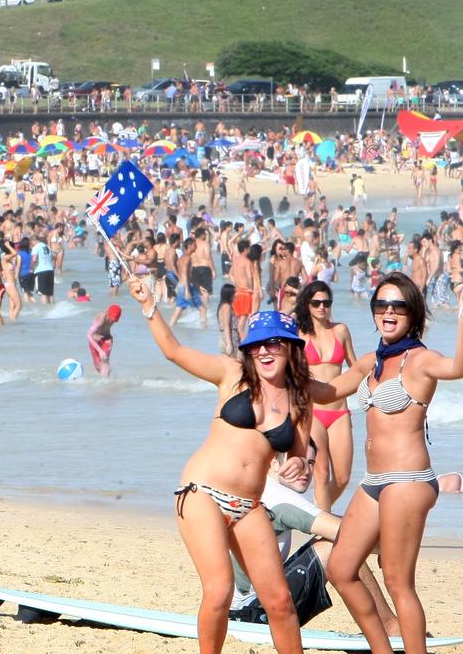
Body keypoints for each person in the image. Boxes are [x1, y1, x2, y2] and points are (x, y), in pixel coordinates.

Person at [130, 274, 317, 654]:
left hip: (249, 507)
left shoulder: (299, 402)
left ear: (290, 349)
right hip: (202, 493)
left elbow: (297, 455)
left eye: (274, 343)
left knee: (280, 601)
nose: (265, 351)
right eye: (258, 345)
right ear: (249, 351)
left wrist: (300, 466)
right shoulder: (231, 375)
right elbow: (174, 351)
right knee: (219, 591)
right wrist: (148, 305)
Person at [313, 273, 463, 654]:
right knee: (341, 569)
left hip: (408, 480)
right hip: (373, 480)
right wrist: (279, 370)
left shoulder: (420, 360)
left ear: (412, 313)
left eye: (398, 305)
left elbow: (461, 368)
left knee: (397, 581)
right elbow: (326, 392)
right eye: (381, 305)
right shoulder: (371, 363)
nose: (388, 311)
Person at [229, 442, 401, 637]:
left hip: (241, 610)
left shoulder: (260, 487)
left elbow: (341, 524)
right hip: (253, 615)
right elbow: (351, 535)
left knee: (337, 536)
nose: (306, 471)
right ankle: (390, 628)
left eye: (310, 463)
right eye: (298, 462)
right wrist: (387, 547)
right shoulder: (282, 500)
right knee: (337, 545)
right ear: (274, 464)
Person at [293, 281, 358, 511]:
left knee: (342, 477)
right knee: (321, 474)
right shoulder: (299, 334)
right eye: (316, 303)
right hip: (313, 412)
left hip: (340, 411)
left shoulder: (340, 330)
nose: (322, 307)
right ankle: (325, 525)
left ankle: (318, 515)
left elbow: (355, 368)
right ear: (307, 305)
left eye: (326, 302)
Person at [86, 304, 121, 378]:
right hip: (95, 341)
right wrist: (100, 351)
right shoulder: (101, 319)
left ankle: (106, 385)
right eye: (111, 318)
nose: (112, 321)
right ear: (108, 314)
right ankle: (104, 381)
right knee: (98, 366)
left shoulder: (114, 318)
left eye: (114, 320)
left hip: (106, 339)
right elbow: (88, 335)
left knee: (104, 362)